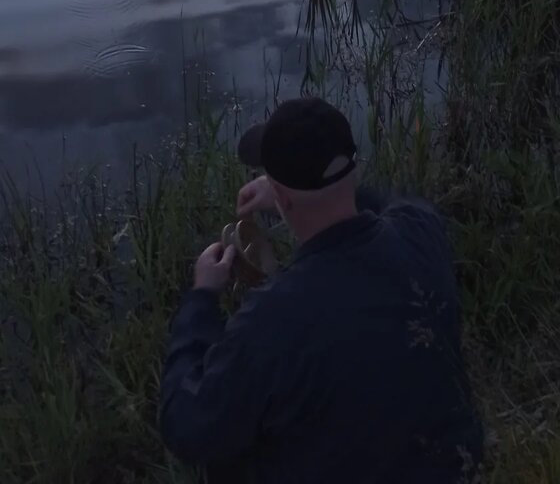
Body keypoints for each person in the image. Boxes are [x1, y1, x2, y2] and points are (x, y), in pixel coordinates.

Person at [160, 97, 483, 482]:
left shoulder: (273, 319)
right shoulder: (421, 232)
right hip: (454, 469)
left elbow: (188, 427)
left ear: (283, 198)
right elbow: (391, 204)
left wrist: (201, 299)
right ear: (352, 169)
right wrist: (310, 192)